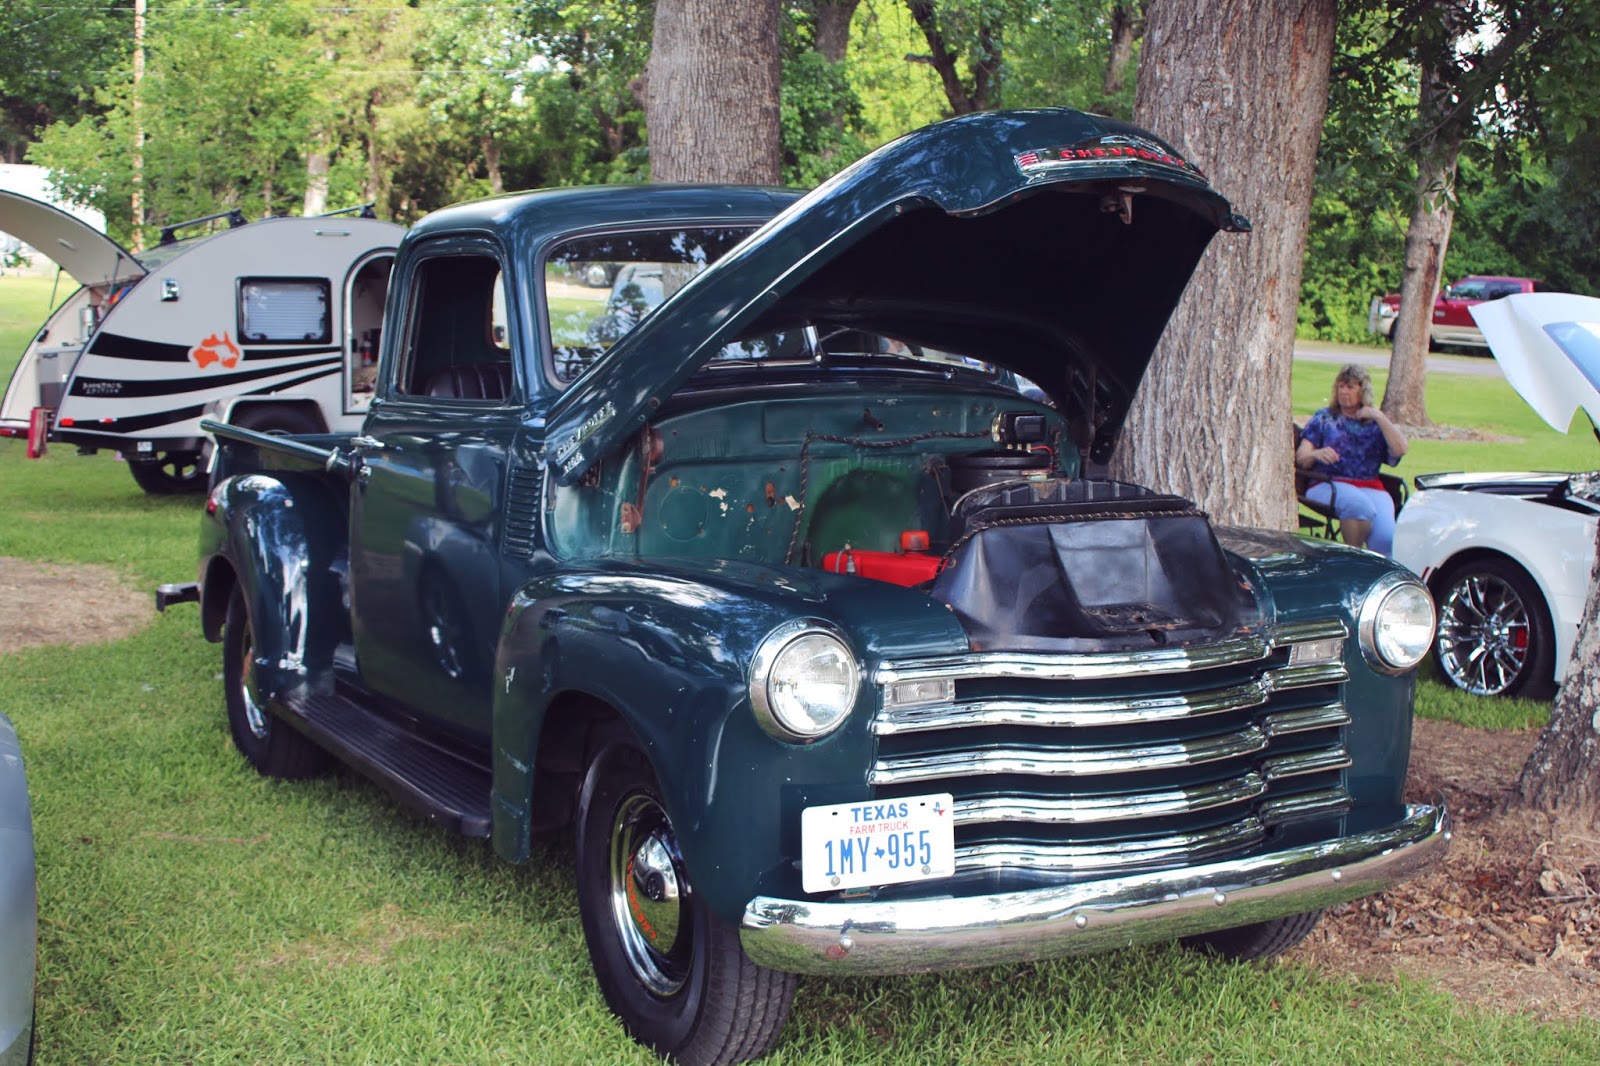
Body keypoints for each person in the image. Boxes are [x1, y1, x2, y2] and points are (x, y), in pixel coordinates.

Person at [1295, 363, 1409, 555]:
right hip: (1328, 484)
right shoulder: (1325, 418)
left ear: (1363, 391)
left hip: (1370, 486)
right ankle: (1352, 558)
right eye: (1340, 386)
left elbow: (1400, 450)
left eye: (1350, 387)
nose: (1344, 391)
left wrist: (1379, 417)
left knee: (1387, 540)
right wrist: (1316, 454)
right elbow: (1301, 457)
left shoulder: (1374, 422)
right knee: (1359, 506)